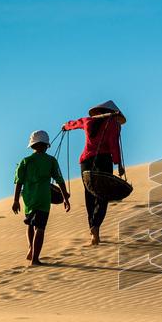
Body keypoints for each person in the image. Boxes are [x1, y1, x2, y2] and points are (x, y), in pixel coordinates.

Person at [62, 100, 126, 245]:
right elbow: (114, 144)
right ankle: (96, 226)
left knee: (89, 195)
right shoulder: (112, 124)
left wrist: (65, 126)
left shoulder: (87, 121)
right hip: (103, 160)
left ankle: (92, 227)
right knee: (103, 194)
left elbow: (74, 123)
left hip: (85, 161)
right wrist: (119, 164)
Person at [13, 130, 70, 265]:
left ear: (32, 146)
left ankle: (31, 248)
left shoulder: (25, 161)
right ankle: (35, 259)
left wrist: (15, 200)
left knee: (30, 223)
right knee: (40, 227)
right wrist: (65, 198)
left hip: (28, 198)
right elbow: (59, 180)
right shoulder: (51, 161)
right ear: (46, 145)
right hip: (43, 198)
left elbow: (18, 182)